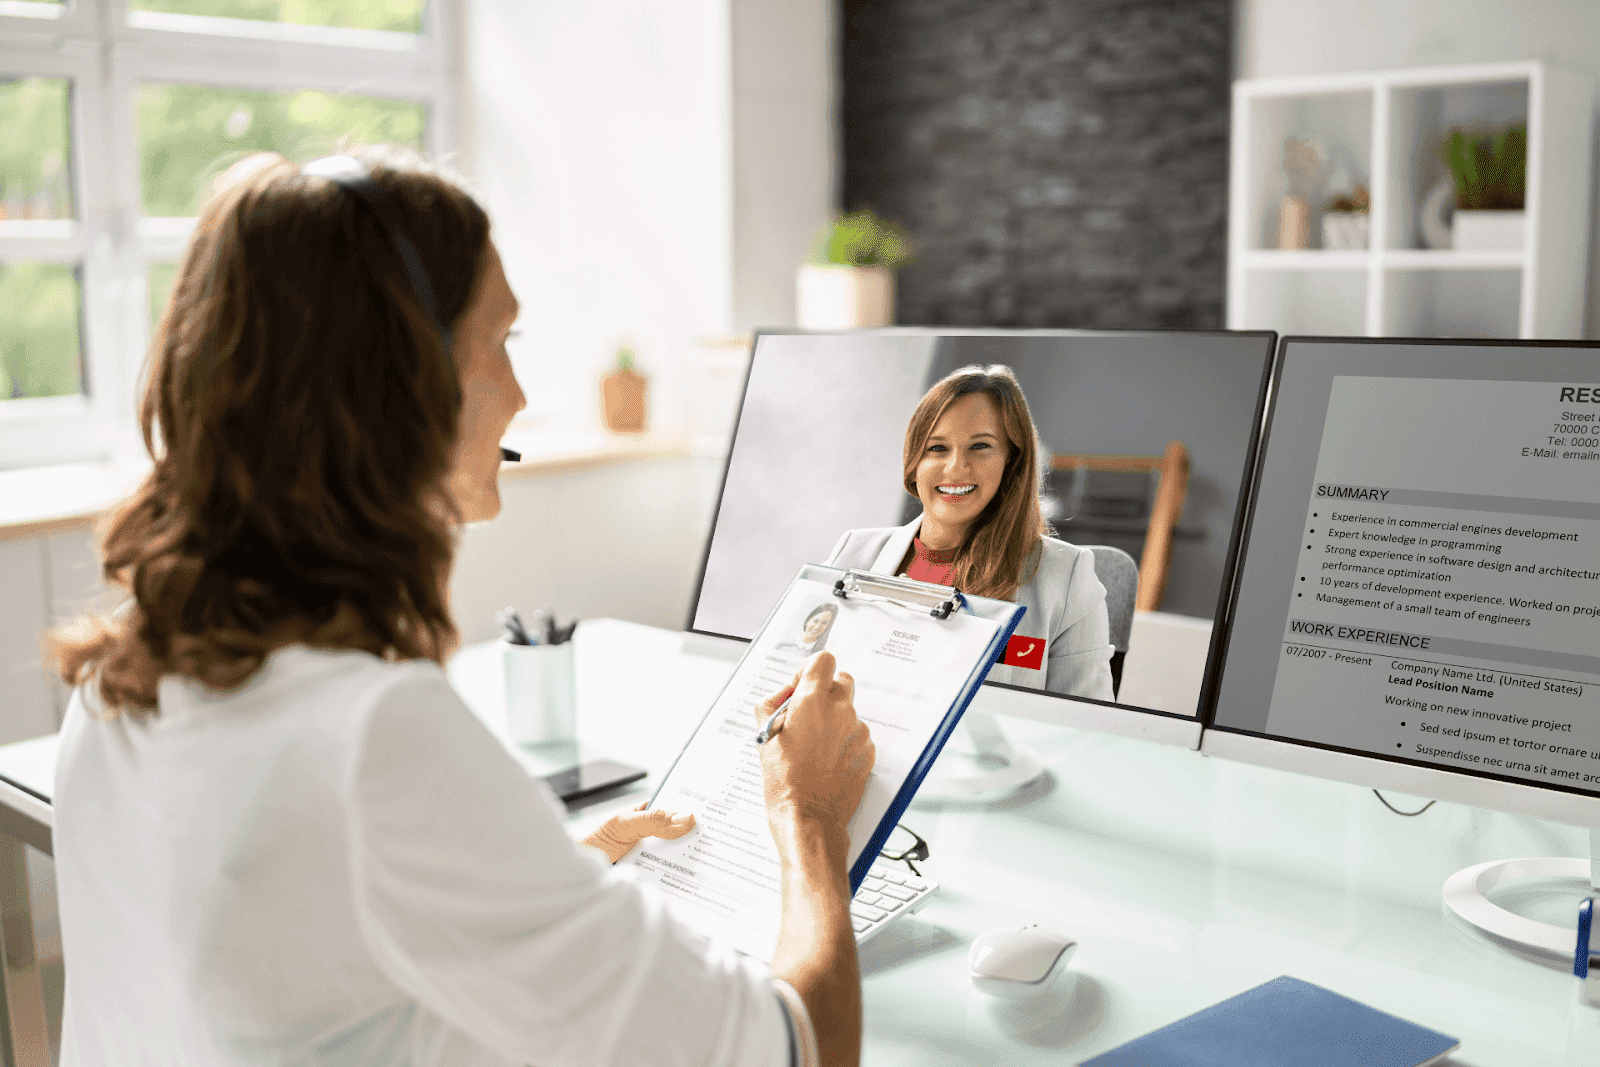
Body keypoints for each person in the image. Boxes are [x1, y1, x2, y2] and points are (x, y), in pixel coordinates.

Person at [47, 149, 874, 1066]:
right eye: (503, 344)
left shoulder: (130, 664)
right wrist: (810, 814)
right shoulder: (375, 733)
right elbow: (805, 1048)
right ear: (403, 383)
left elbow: (317, 936)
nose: (521, 396)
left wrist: (565, 862)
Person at [826, 365, 1114, 700]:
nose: (955, 468)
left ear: (1012, 462)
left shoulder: (1067, 576)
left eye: (980, 446)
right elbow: (792, 660)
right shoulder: (854, 550)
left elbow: (1084, 721)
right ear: (914, 461)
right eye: (937, 448)